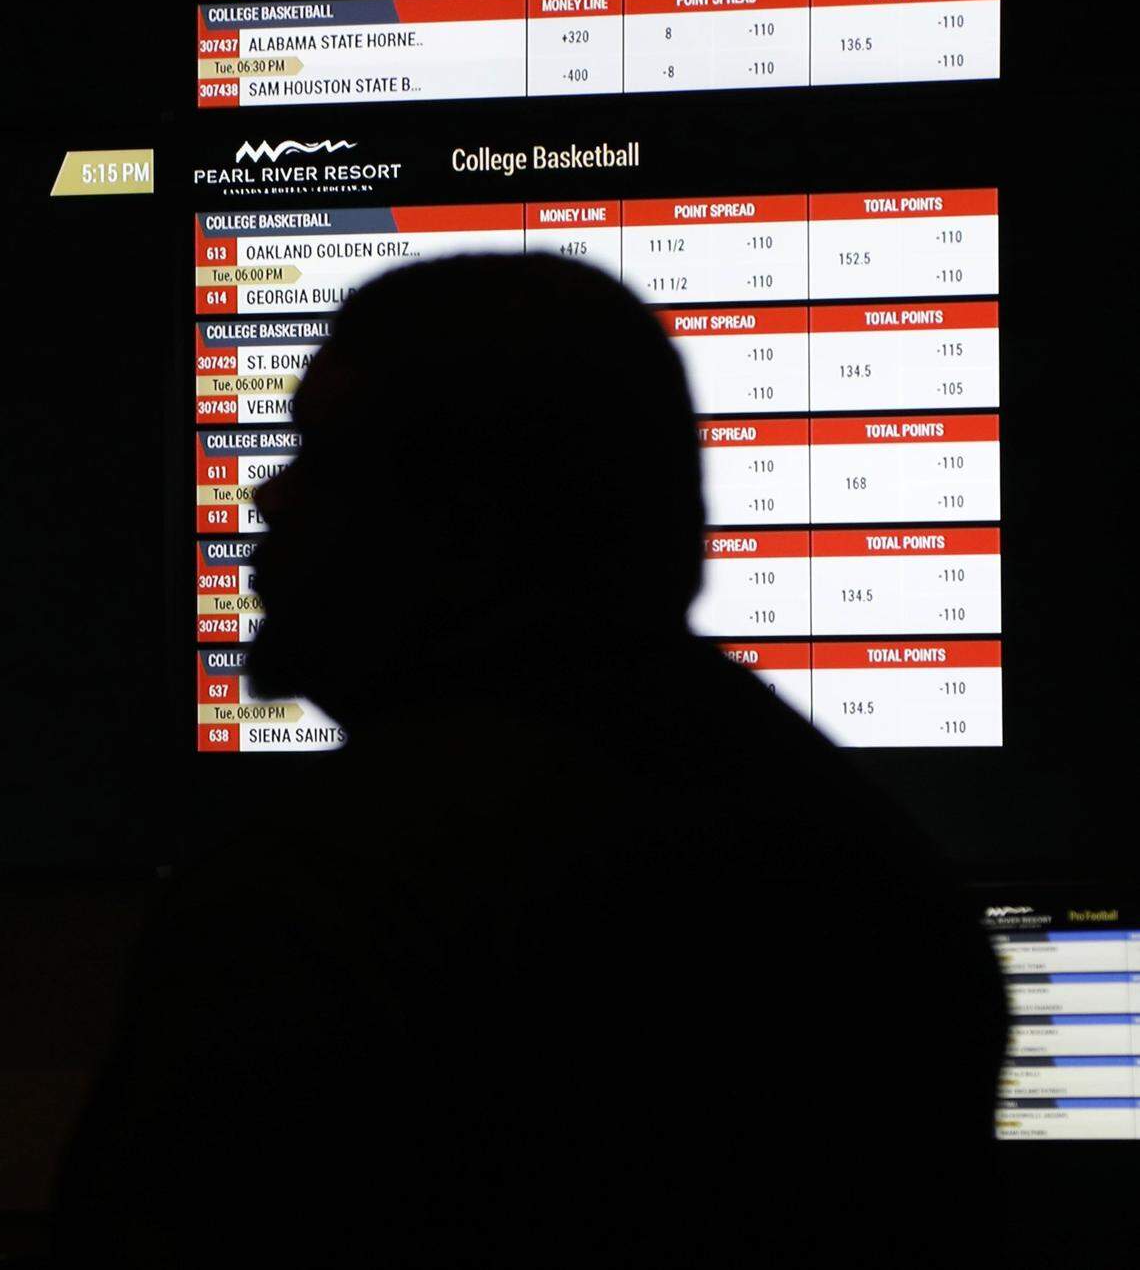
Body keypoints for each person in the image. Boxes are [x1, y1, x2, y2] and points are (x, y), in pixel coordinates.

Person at [55, 254, 1006, 1268]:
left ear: (468, 528)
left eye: (319, 456)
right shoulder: (870, 874)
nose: (264, 497)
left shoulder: (319, 900)